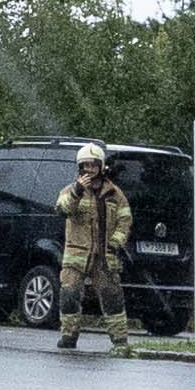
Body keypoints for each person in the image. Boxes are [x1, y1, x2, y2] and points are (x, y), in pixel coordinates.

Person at [50, 142, 135, 352]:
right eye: (85, 165)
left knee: (112, 296)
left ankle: (120, 340)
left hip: (105, 256)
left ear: (101, 166)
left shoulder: (115, 194)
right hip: (76, 254)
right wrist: (78, 190)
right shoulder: (70, 190)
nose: (89, 169)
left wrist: (116, 242)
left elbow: (125, 220)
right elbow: (62, 209)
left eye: (93, 165)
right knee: (69, 295)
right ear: (80, 168)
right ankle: (68, 336)